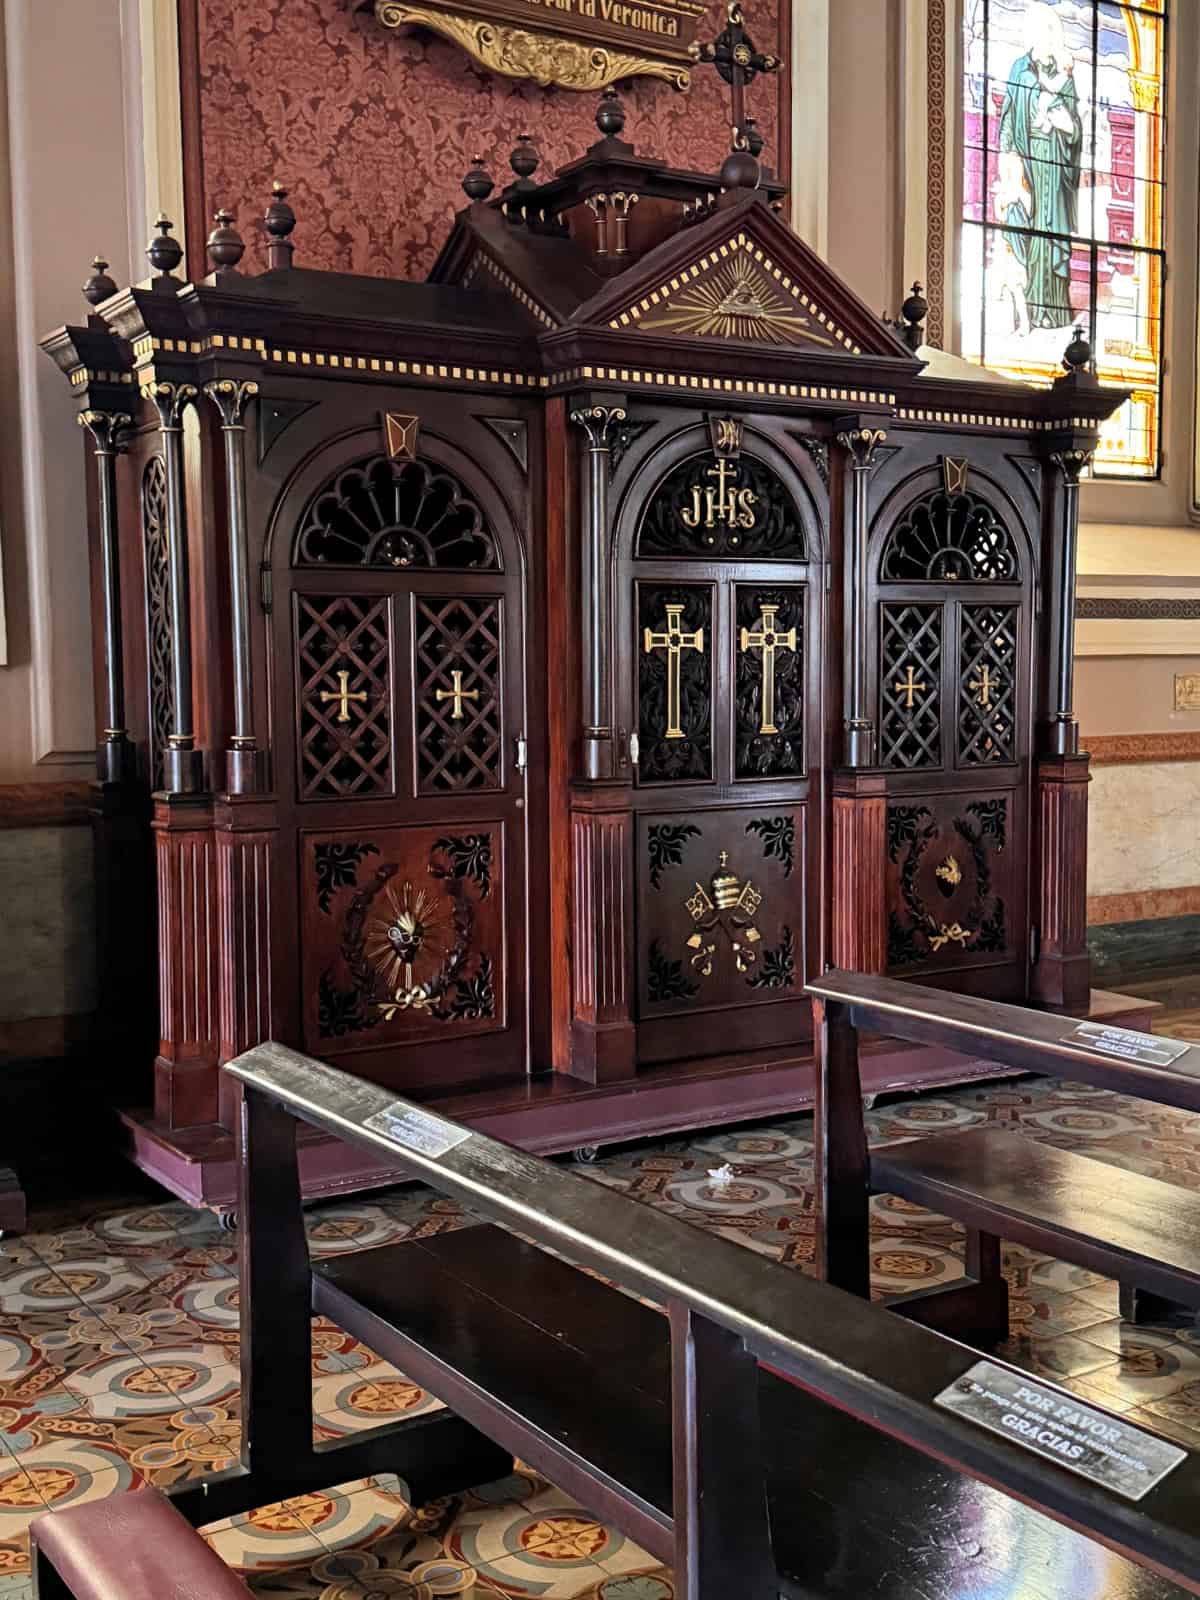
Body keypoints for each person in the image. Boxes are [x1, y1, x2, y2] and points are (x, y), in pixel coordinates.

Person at [996, 4, 1083, 330]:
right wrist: (1009, 158)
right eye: (1044, 30)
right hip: (1029, 162)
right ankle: (1031, 310)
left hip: (1057, 166)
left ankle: (1055, 311)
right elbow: (1010, 119)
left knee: (1053, 234)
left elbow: (1075, 128)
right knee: (1031, 231)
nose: (1049, 37)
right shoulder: (1020, 69)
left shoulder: (1064, 75)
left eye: (1053, 31)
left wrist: (1068, 126)